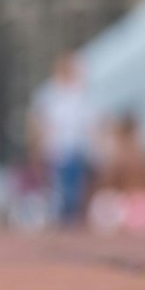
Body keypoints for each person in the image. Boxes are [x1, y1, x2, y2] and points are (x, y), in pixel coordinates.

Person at [31, 54, 94, 227]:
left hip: (75, 147)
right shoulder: (50, 93)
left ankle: (71, 218)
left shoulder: (79, 93)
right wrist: (38, 144)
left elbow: (88, 121)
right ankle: (60, 220)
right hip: (56, 148)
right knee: (58, 188)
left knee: (75, 188)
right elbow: (40, 121)